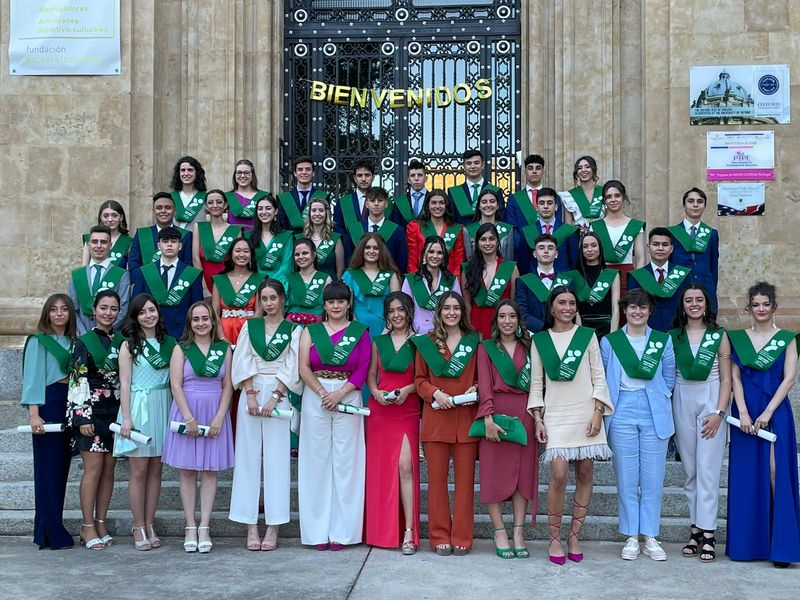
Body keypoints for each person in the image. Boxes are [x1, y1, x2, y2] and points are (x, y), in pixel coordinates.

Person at [529, 287, 612, 564]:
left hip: (585, 411)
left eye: (572, 303)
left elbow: (598, 376)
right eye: (561, 302)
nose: (567, 307)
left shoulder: (587, 337)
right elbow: (537, 383)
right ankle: (554, 537)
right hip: (556, 414)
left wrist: (599, 411)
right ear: (551, 307)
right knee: (560, 473)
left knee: (586, 471)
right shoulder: (540, 340)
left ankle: (574, 534)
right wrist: (538, 417)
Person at [726, 281, 800, 567]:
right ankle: (748, 546)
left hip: (775, 411)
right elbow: (734, 378)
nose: (760, 309)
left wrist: (767, 413)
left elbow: (789, 378)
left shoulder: (788, 338)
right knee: (747, 475)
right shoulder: (737, 338)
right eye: (755, 305)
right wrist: (743, 412)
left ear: (773, 307)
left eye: (765, 304)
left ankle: (781, 547)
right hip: (745, 412)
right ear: (749, 307)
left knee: (774, 471)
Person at [601, 288, 676, 561]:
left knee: (653, 478)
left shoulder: (662, 341)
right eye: (632, 307)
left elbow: (669, 378)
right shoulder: (610, 342)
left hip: (653, 409)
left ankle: (651, 536)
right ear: (624, 310)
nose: (637, 312)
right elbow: (605, 376)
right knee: (626, 477)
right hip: (621, 410)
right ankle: (632, 536)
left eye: (643, 307)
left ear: (650, 311)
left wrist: (655, 397)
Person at [297, 281, 371, 549]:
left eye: (341, 301)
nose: (336, 306)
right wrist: (321, 392)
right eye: (331, 301)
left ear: (348, 303)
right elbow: (303, 367)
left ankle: (343, 531)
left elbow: (363, 367)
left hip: (347, 393)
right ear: (325, 305)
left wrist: (339, 394)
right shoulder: (311, 331)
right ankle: (316, 532)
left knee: (346, 462)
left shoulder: (359, 332)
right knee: (315, 460)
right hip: (315, 394)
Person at [230, 279, 302, 551]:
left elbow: (292, 364)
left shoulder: (293, 330)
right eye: (264, 299)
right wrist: (250, 393)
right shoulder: (250, 327)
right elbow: (243, 359)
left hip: (279, 396)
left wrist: (275, 397)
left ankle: (273, 526)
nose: (269, 303)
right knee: (248, 458)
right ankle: (250, 526)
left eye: (273, 298)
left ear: (282, 299)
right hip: (251, 392)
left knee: (277, 460)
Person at [162, 301, 235, 554]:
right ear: (190, 323)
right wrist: (188, 418)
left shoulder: (223, 349)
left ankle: (204, 525)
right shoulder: (181, 349)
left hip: (215, 411)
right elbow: (176, 385)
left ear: (213, 321)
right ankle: (190, 526)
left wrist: (219, 417)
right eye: (196, 319)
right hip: (187, 412)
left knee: (210, 471)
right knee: (188, 471)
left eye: (205, 318)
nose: (201, 323)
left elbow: (228, 385)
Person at [412, 292, 480, 556]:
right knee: (437, 483)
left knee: (465, 484)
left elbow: (480, 376)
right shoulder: (427, 343)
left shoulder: (475, 342)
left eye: (456, 308)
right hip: (436, 419)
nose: (452, 312)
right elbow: (419, 379)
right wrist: (435, 393)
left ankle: (462, 536)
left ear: (462, 311)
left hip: (465, 419)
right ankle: (440, 535)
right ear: (439, 312)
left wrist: (475, 388)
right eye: (447, 308)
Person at [668, 284, 731, 563]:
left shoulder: (719, 336)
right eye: (689, 300)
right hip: (683, 397)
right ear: (682, 306)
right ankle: (695, 529)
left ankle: (709, 533)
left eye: (699, 300)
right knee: (691, 470)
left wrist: (719, 411)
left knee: (708, 469)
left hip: (711, 398)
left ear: (707, 304)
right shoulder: (673, 337)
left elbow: (728, 378)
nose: (694, 304)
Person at [114, 294, 175, 551]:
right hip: (138, 408)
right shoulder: (129, 345)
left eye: (152, 310)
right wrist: (127, 417)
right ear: (135, 317)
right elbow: (125, 383)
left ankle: (150, 523)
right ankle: (138, 524)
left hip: (163, 404)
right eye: (143, 312)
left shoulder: (170, 344)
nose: (148, 315)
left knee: (156, 471)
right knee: (138, 471)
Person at [477, 300, 538, 559]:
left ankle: (518, 532)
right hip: (496, 414)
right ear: (496, 321)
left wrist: (537, 415)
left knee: (522, 474)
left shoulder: (530, 346)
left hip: (524, 412)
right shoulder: (486, 348)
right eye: (502, 316)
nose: (507, 321)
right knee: (493, 473)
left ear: (518, 320)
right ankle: (499, 530)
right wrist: (488, 418)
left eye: (512, 316)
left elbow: (537, 383)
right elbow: (484, 385)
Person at [365, 292, 420, 553]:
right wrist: (375, 392)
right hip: (380, 410)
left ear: (409, 312)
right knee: (381, 472)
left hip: (406, 409)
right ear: (386, 315)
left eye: (401, 310)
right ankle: (381, 531)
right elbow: (371, 375)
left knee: (406, 466)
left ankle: (409, 531)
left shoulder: (420, 343)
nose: (396, 315)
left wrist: (407, 391)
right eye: (391, 311)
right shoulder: (378, 341)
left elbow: (422, 379)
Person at [21, 294, 77, 550]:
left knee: (60, 469)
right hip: (49, 403)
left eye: (64, 309)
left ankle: (45, 530)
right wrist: (34, 413)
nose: (59, 314)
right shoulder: (38, 341)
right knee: (47, 470)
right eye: (53, 310)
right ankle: (53, 531)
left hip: (70, 402)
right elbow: (32, 378)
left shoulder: (74, 341)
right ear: (47, 313)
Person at [67, 290, 122, 551]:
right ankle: (87, 525)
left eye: (113, 308)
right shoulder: (84, 341)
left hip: (115, 411)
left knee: (109, 470)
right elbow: (77, 379)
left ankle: (101, 522)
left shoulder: (122, 340)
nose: (108, 313)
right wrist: (82, 416)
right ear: (94, 310)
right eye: (104, 308)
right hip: (92, 413)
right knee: (94, 469)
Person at [131, 226, 203, 339]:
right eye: (165, 241)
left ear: (180, 246)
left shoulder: (192, 274)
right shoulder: (144, 272)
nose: (169, 244)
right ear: (159, 246)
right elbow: (136, 305)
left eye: (173, 241)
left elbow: (197, 307)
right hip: (150, 332)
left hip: (182, 334)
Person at [68, 225, 130, 334]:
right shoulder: (76, 275)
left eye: (103, 242)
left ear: (110, 245)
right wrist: (84, 335)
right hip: (81, 336)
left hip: (110, 336)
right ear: (88, 245)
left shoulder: (122, 275)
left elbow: (123, 310)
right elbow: (72, 309)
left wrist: (103, 332)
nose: (99, 246)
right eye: (95, 241)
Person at [627, 227, 691, 332]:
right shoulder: (637, 276)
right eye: (655, 244)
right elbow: (633, 309)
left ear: (671, 249)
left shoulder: (683, 274)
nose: (660, 248)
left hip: (678, 331)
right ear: (648, 248)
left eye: (665, 245)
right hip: (647, 332)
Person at [589, 180, 645, 298]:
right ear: (604, 200)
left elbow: (640, 258)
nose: (613, 200)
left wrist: (638, 282)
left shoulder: (635, 225)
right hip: (602, 277)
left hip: (628, 276)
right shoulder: (595, 226)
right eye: (609, 197)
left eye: (617, 195)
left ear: (623, 198)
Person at [462, 223, 519, 339]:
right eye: (483, 239)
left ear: (498, 242)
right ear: (477, 243)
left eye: (492, 239)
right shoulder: (467, 269)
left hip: (503, 325)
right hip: (476, 325)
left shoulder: (511, 268)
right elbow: (467, 303)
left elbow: (514, 302)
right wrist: (469, 328)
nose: (488, 243)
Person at [668, 187, 720, 313]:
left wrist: (711, 286)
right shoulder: (672, 233)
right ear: (684, 205)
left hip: (705, 286)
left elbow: (713, 265)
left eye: (700, 201)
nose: (695, 205)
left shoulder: (711, 234)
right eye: (691, 201)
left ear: (705, 206)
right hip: (679, 286)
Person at [341, 234, 402, 339]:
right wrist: (356, 329)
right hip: (357, 327)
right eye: (367, 247)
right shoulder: (350, 274)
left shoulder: (391, 275)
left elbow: (396, 306)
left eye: (376, 248)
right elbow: (346, 308)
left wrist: (389, 328)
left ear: (381, 251)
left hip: (386, 327)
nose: (371, 251)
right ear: (361, 250)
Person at [401, 236, 461, 334]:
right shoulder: (411, 280)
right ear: (425, 253)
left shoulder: (451, 280)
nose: (435, 256)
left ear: (444, 256)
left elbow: (458, 308)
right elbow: (404, 309)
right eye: (431, 251)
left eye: (439, 253)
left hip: (445, 333)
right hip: (418, 335)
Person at [515, 233, 573, 333]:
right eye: (541, 248)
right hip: (533, 334)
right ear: (534, 253)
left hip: (563, 333)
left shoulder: (567, 281)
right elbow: (522, 313)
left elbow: (571, 310)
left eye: (550, 248)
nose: (546, 251)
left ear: (556, 254)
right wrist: (546, 329)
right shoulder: (523, 282)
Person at [341, 186, 407, 271]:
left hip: (387, 279)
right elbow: (348, 259)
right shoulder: (354, 228)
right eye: (372, 200)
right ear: (366, 204)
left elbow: (401, 261)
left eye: (380, 200)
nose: (376, 204)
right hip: (359, 279)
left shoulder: (397, 230)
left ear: (386, 204)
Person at [211, 237, 262, 346]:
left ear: (251, 255)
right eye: (238, 251)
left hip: (249, 331)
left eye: (246, 251)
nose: (242, 255)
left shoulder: (259, 279)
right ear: (231, 254)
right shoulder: (220, 280)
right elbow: (215, 311)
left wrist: (249, 336)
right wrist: (221, 337)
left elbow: (259, 311)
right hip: (224, 331)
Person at [569, 231, 620, 338]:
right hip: (582, 325)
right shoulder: (575, 275)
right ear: (581, 250)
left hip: (606, 325)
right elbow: (575, 308)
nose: (590, 250)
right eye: (585, 246)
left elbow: (616, 307)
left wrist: (613, 334)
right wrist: (580, 331)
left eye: (594, 245)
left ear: (600, 248)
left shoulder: (612, 275)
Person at [517, 187, 579, 275]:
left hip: (562, 282)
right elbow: (524, 263)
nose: (545, 206)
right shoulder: (527, 231)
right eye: (541, 203)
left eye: (549, 203)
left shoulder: (568, 231)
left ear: (556, 207)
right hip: (536, 283)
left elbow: (574, 262)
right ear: (537, 207)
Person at [406, 189, 466, 277]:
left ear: (446, 206)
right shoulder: (415, 227)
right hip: (422, 279)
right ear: (427, 206)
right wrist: (415, 282)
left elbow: (459, 261)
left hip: (448, 281)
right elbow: (412, 259)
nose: (437, 206)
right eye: (434, 203)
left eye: (441, 203)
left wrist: (454, 283)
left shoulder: (457, 229)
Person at [193, 189, 244, 292]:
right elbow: (195, 258)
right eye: (210, 202)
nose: (215, 205)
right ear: (206, 206)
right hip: (204, 280)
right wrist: (203, 287)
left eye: (219, 202)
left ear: (225, 205)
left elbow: (238, 260)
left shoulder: (235, 230)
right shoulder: (199, 227)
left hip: (228, 280)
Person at [128, 191, 193, 273]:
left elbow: (188, 265)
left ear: (175, 211)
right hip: (145, 283)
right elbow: (133, 264)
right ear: (153, 211)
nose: (163, 211)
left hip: (176, 283)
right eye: (159, 208)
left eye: (168, 208)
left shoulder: (186, 235)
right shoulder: (141, 234)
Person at [333, 159, 375, 261]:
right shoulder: (343, 203)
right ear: (355, 178)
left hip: (376, 253)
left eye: (367, 175)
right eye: (360, 175)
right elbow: (338, 229)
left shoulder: (383, 202)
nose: (364, 179)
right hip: (350, 255)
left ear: (373, 177)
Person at [447, 150, 503, 225]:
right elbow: (451, 219)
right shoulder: (455, 192)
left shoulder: (495, 191)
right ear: (464, 166)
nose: (473, 166)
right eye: (469, 163)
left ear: (482, 165)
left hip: (489, 234)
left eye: (476, 163)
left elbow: (500, 217)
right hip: (462, 235)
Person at [251, 194, 294, 287]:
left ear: (276, 211)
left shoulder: (286, 236)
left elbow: (286, 266)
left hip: (281, 283)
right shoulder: (250, 237)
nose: (264, 212)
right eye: (260, 209)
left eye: (268, 208)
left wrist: (271, 284)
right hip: (256, 284)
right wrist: (260, 282)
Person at [285, 238, 331, 325]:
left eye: (305, 253)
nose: (301, 257)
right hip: (292, 324)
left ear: (314, 254)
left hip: (317, 324)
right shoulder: (288, 279)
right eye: (297, 254)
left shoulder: (325, 279)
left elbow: (330, 306)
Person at [278, 156, 327, 234]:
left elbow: (326, 223)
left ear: (313, 173)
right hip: (291, 241)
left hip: (315, 241)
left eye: (308, 169)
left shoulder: (323, 196)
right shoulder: (284, 198)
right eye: (300, 170)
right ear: (295, 173)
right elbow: (281, 225)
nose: (304, 172)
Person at [463, 188, 514, 261]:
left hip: (501, 271)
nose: (488, 205)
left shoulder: (508, 229)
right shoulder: (468, 230)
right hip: (477, 270)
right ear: (479, 207)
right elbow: (469, 260)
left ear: (498, 206)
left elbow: (509, 260)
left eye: (492, 201)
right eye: (484, 202)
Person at [302, 196, 345, 280]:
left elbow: (340, 271)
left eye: (321, 210)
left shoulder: (335, 238)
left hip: (330, 286)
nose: (317, 214)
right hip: (305, 287)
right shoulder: (301, 238)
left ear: (326, 214)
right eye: (314, 210)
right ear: (309, 214)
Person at [81, 200, 132, 268]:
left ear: (121, 217)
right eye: (106, 216)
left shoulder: (128, 242)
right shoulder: (89, 239)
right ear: (101, 218)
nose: (110, 219)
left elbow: (129, 271)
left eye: (114, 216)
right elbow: (84, 268)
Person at [505, 154, 547, 232]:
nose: (534, 171)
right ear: (525, 172)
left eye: (538, 168)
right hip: (521, 243)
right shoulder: (514, 199)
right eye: (530, 168)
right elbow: (511, 228)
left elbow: (556, 226)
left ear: (543, 172)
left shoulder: (554, 198)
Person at [560, 155, 603, 227]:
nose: (583, 170)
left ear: (594, 169)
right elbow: (568, 226)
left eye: (587, 167)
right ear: (576, 172)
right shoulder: (569, 196)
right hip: (579, 236)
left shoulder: (604, 192)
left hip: (602, 235)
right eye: (579, 168)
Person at [225, 159, 267, 231]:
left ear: (252, 175)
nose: (242, 176)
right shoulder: (226, 197)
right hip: (233, 237)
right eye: (239, 173)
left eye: (247, 173)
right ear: (235, 175)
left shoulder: (264, 196)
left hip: (257, 238)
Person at [169, 155, 207, 228]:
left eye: (190, 170)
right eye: (183, 170)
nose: (186, 173)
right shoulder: (170, 197)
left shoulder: (205, 198)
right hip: (173, 238)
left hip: (197, 238)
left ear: (197, 173)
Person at [390, 160, 429, 228]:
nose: (416, 178)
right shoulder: (400, 202)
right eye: (413, 175)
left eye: (420, 175)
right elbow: (396, 226)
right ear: (408, 180)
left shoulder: (433, 199)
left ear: (425, 179)